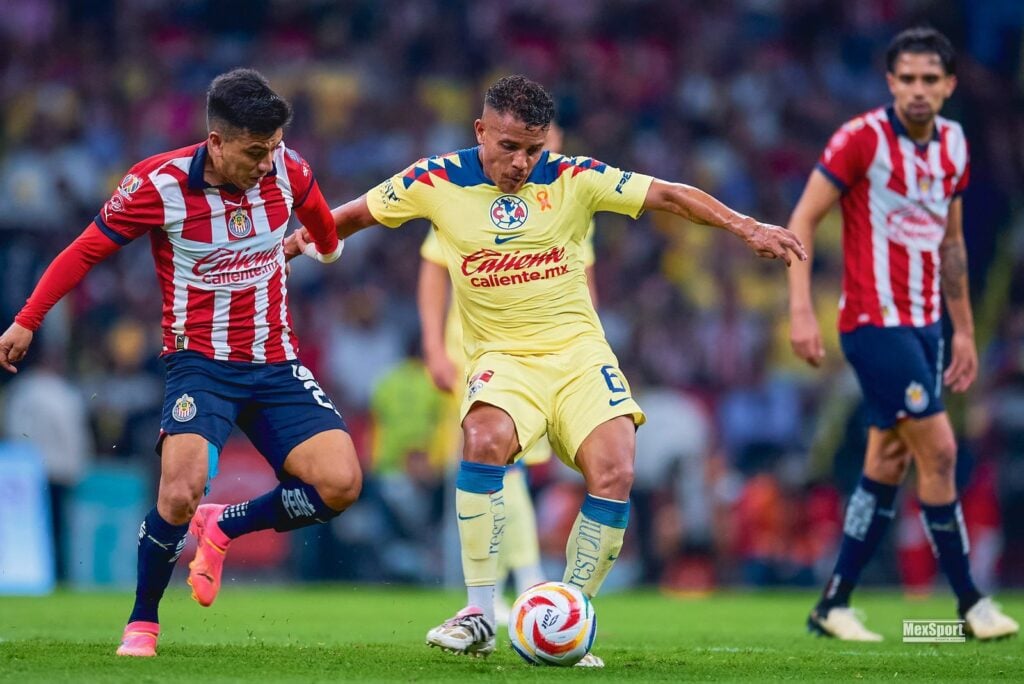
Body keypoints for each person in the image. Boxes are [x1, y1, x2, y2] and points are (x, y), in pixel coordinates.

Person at [291, 74, 804, 662]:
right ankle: (480, 611)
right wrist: (285, 249)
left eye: (533, 149)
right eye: (508, 147)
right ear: (480, 130)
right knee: (482, 438)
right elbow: (352, 216)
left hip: (581, 355)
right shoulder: (432, 179)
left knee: (615, 470)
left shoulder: (572, 177)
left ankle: (568, 616)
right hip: (504, 359)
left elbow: (668, 194)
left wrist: (749, 226)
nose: (521, 161)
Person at [0, 68, 363, 657]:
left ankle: (226, 525)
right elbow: (86, 249)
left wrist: (317, 245)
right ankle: (142, 621)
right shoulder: (157, 183)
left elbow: (321, 219)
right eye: (254, 151)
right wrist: (27, 319)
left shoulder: (288, 170)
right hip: (201, 366)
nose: (266, 164)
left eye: (273, 149)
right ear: (216, 142)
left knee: (341, 484)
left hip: (275, 363)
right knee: (178, 493)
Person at [786, 27, 1018, 641]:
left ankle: (832, 603)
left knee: (888, 458)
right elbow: (802, 219)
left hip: (927, 327)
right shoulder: (861, 139)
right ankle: (971, 604)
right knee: (939, 450)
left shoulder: (955, 145)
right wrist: (801, 311)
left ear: (948, 85)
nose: (917, 90)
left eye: (929, 80)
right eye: (906, 79)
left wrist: (964, 332)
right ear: (891, 83)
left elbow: (952, 243)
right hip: (872, 322)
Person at [417, 122, 599, 627]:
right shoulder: (465, 193)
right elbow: (433, 269)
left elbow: (584, 281)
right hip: (479, 349)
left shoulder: (571, 193)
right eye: (521, 149)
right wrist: (434, 345)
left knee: (508, 466)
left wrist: (590, 350)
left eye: (543, 150)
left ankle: (514, 584)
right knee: (504, 462)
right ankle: (524, 581)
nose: (531, 162)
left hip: (552, 353)